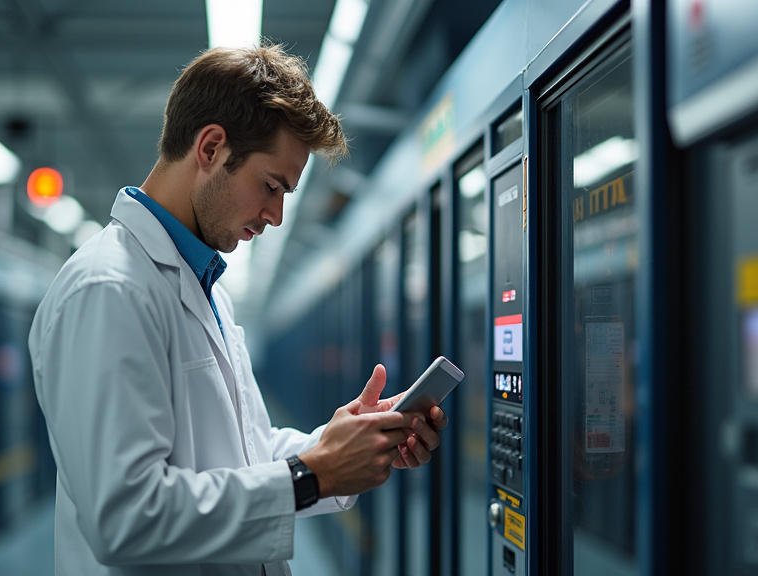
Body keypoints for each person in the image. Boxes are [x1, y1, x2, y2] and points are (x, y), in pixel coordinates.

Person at [28, 43, 448, 576]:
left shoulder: (206, 290)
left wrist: (343, 446)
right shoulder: (108, 289)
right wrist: (313, 475)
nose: (275, 214)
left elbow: (243, 453)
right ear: (210, 148)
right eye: (271, 186)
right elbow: (126, 519)